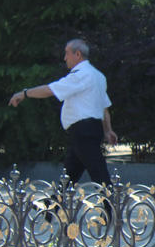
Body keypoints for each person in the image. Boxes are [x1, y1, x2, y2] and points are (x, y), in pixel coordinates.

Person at [8, 38, 118, 186]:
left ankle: (112, 207)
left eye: (67, 53)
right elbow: (104, 108)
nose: (64, 58)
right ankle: (52, 208)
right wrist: (108, 130)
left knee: (99, 176)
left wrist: (24, 93)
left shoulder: (81, 75)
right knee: (68, 177)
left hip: (83, 131)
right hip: (88, 130)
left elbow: (50, 90)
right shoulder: (98, 76)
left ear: (77, 54)